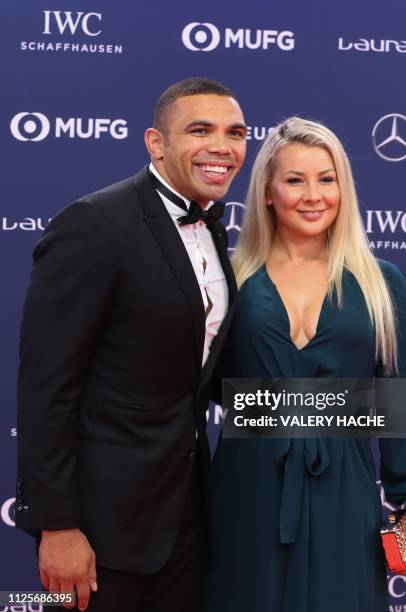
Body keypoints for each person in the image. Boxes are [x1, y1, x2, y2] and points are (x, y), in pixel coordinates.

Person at [15, 77, 247, 612]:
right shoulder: (96, 224)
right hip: (101, 530)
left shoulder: (213, 230)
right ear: (155, 143)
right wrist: (58, 526)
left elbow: (207, 384)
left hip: (186, 521)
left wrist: (379, 413)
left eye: (234, 133)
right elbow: (46, 388)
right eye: (200, 130)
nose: (222, 146)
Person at [201, 117, 406, 612]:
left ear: (344, 187)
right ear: (268, 192)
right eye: (295, 180)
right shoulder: (230, 278)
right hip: (245, 492)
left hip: (346, 494)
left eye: (327, 178)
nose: (313, 195)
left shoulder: (382, 282)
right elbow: (199, 388)